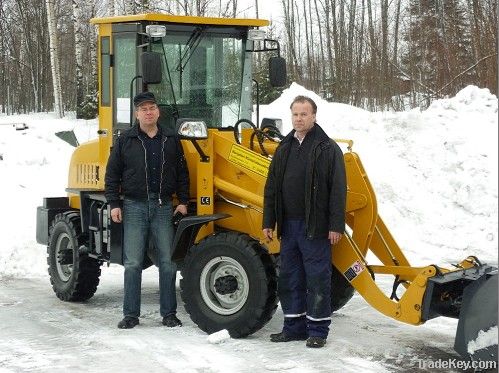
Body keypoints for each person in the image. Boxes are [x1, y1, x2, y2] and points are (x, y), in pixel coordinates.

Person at [262, 95, 347, 348]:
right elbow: (272, 187)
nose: (299, 119)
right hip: (289, 226)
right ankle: (293, 328)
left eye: (304, 114)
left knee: (317, 278)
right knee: (290, 278)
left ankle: (318, 331)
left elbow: (338, 190)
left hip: (316, 228)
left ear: (314, 116)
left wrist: (335, 225)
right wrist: (269, 221)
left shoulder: (327, 148)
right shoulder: (285, 147)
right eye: (295, 114)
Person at [105, 92, 189, 329]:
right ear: (136, 114)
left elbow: (182, 172)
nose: (148, 112)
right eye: (143, 109)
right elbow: (112, 175)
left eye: (152, 108)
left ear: (158, 112)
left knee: (168, 262)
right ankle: (131, 315)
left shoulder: (171, 138)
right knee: (132, 263)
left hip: (163, 206)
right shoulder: (126, 140)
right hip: (134, 206)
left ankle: (169, 314)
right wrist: (114, 204)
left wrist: (183, 201)